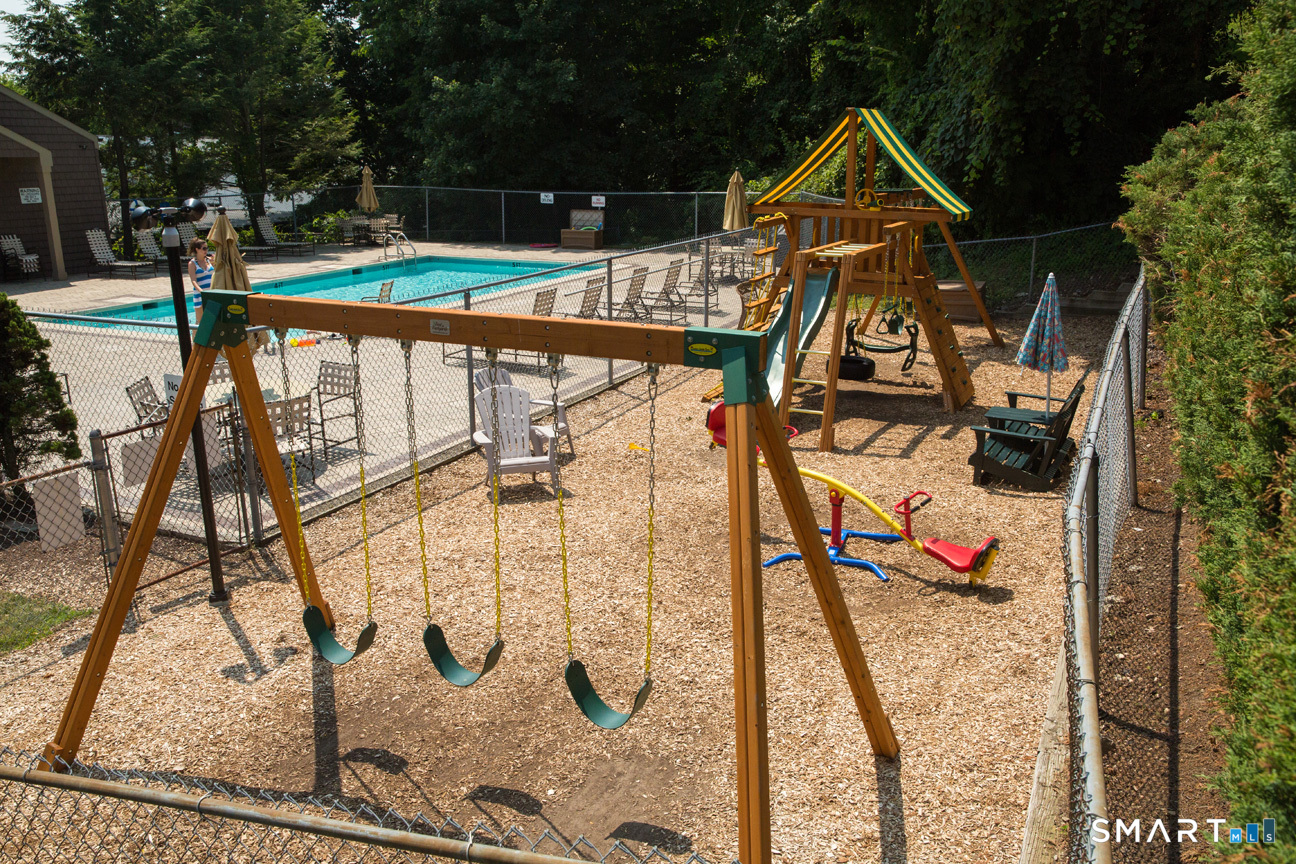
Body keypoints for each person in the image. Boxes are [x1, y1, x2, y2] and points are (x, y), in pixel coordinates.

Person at [187, 237, 214, 323]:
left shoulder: (210, 261)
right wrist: (201, 291)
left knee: (211, 320)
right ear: (197, 249)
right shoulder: (192, 263)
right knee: (200, 322)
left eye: (207, 248)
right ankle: (193, 337)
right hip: (200, 295)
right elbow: (193, 280)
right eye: (204, 248)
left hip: (211, 293)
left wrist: (216, 261)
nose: (206, 250)